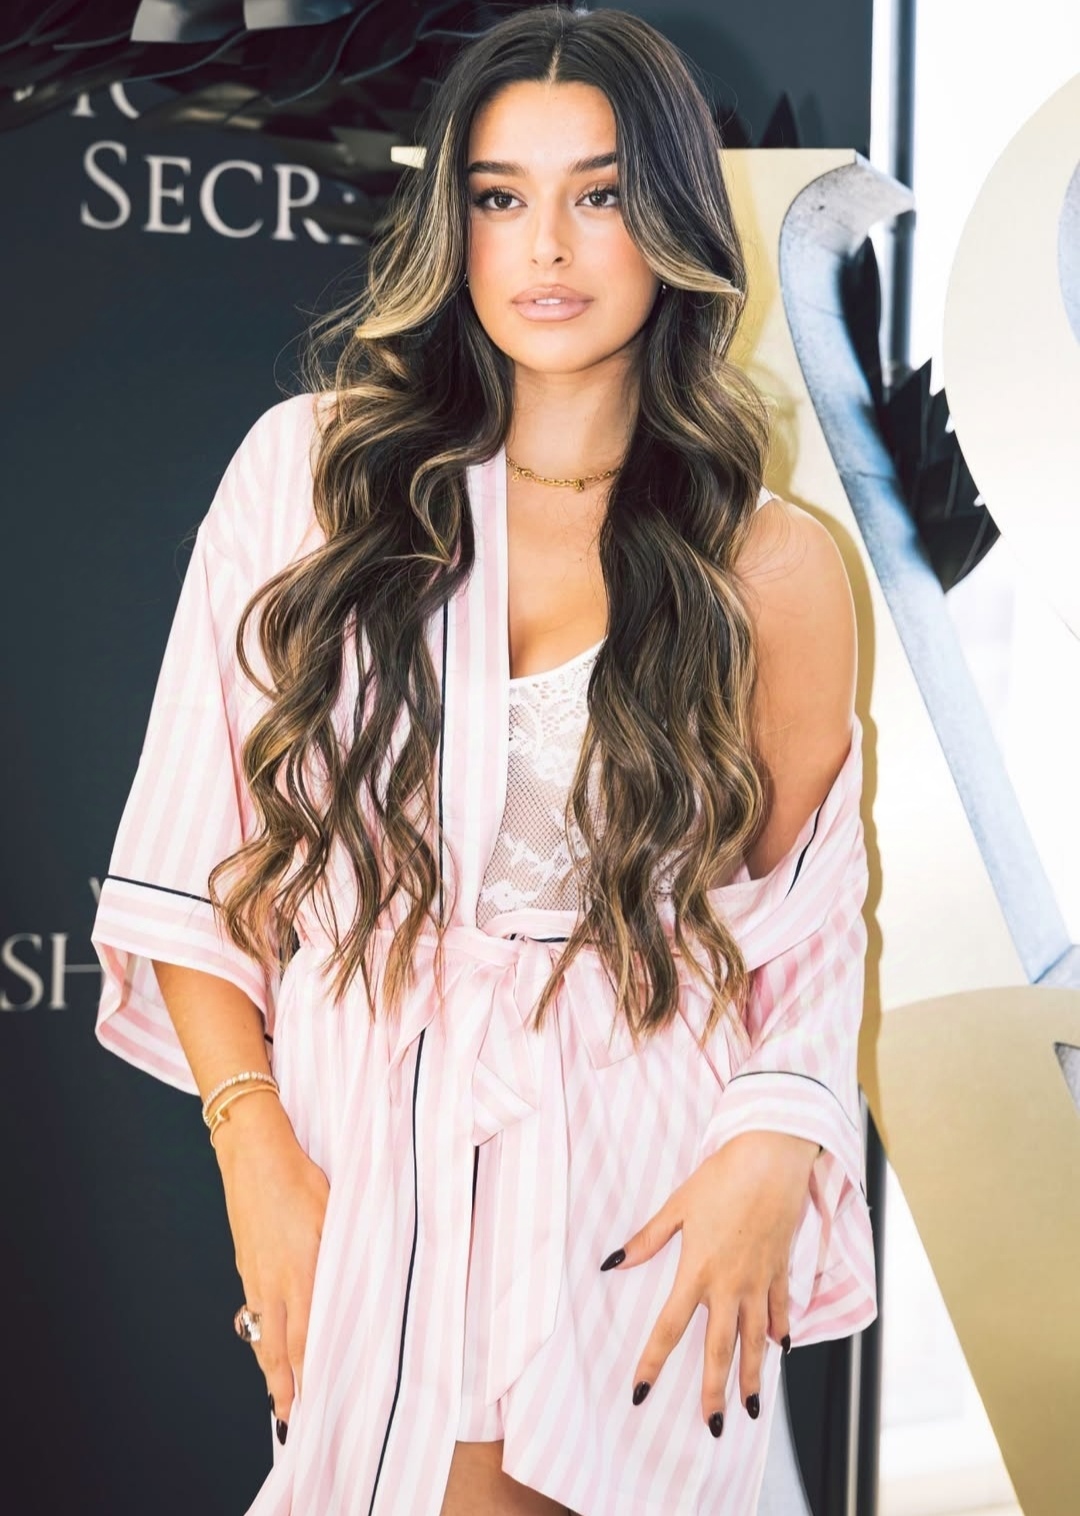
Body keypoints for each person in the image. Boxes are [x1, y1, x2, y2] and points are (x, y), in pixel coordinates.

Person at [90, 5, 877, 1513]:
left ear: (675, 220)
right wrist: (257, 1156)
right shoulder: (310, 477)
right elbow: (196, 864)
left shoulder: (768, 562)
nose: (547, 247)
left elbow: (807, 916)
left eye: (601, 195)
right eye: (501, 196)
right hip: (375, 1150)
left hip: (647, 1182)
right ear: (452, 223)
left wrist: (771, 1146)